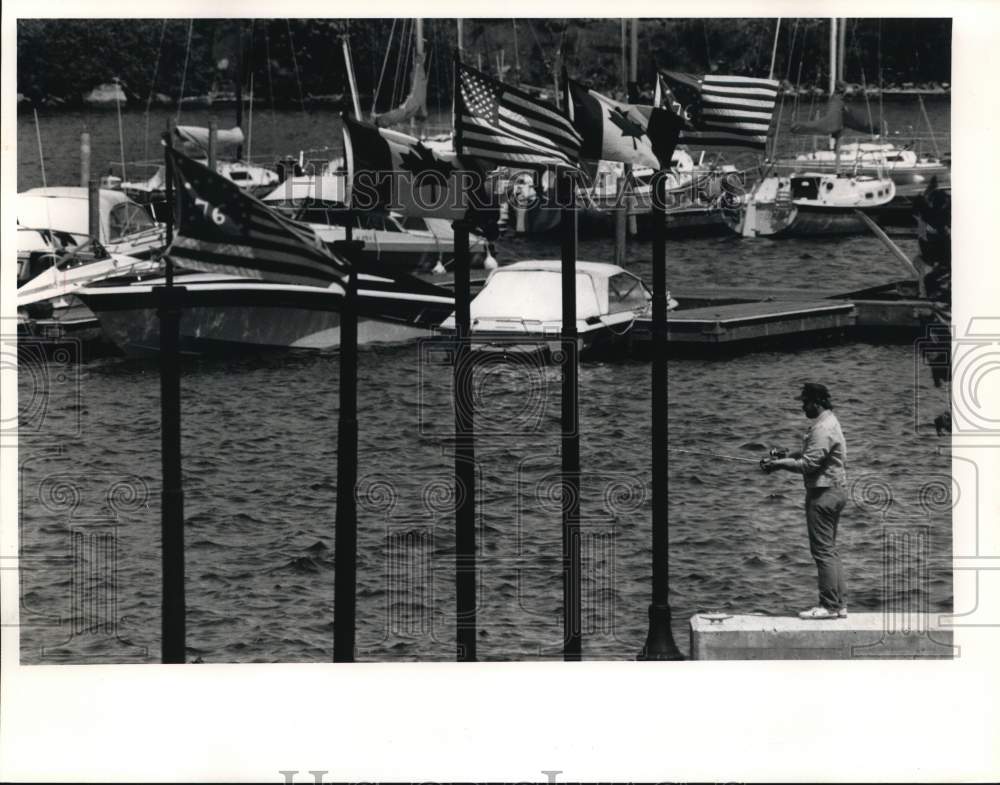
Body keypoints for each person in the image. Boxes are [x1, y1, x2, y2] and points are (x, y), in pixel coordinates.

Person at [762, 382, 849, 620]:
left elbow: (809, 464)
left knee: (821, 551)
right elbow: (811, 455)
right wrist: (785, 457)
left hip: (823, 494)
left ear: (817, 402)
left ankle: (829, 606)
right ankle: (839, 604)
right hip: (835, 491)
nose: (803, 407)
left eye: (805, 402)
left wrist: (778, 465)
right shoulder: (829, 422)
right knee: (829, 550)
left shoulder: (822, 428)